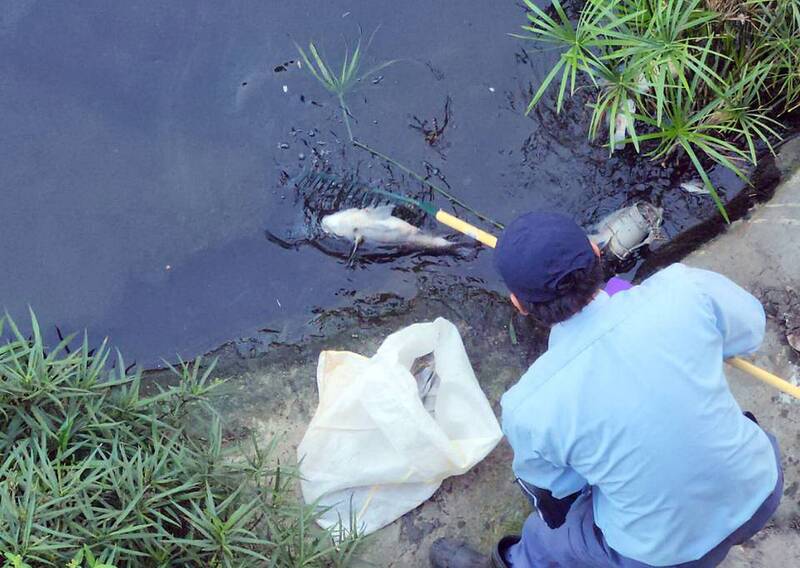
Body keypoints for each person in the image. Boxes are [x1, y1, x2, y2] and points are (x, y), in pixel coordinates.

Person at [430, 211, 783, 568]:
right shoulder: (683, 290)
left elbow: (560, 490)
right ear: (596, 253)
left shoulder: (527, 406)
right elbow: (750, 329)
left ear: (519, 305)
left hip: (665, 557)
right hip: (761, 491)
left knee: (551, 535)